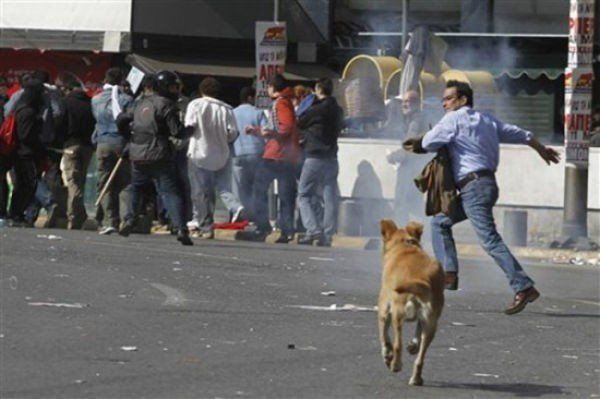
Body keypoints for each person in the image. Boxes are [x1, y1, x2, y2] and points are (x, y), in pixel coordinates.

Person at [419, 80, 560, 315]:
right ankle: (449, 273)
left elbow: (427, 142)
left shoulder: (454, 118)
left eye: (448, 98)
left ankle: (523, 286)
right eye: (443, 99)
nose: (444, 103)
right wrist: (541, 149)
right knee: (440, 222)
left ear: (463, 100)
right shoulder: (488, 120)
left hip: (473, 187)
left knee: (490, 240)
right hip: (485, 185)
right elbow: (522, 134)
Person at [116, 72, 193, 246]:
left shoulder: (140, 103)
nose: (175, 91)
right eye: (172, 88)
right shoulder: (167, 105)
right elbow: (177, 132)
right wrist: (191, 130)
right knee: (170, 192)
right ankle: (180, 228)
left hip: (138, 154)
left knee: (136, 188)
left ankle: (128, 219)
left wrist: (131, 137)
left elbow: (121, 119)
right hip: (159, 154)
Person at [185, 77, 243, 239]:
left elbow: (190, 126)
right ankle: (227, 211)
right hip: (220, 155)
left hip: (199, 153)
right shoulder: (227, 109)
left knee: (200, 192)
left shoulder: (195, 105)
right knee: (219, 188)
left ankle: (204, 225)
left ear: (201, 90)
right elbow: (233, 133)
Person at [248, 74, 301, 243]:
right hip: (287, 156)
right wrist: (258, 130)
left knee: (259, 189)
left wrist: (266, 132)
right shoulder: (286, 101)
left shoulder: (280, 103)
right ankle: (286, 230)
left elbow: (284, 127)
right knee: (286, 195)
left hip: (275, 155)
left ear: (273, 87)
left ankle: (263, 225)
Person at [296, 78, 343, 246]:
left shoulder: (316, 109)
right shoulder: (338, 109)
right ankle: (328, 233)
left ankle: (313, 230)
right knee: (330, 195)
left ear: (317, 89)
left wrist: (309, 102)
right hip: (332, 157)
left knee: (304, 194)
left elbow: (300, 121)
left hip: (314, 157)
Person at [91, 68, 133, 234]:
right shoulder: (127, 100)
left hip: (103, 142)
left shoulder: (95, 100)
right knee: (125, 183)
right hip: (121, 142)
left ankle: (109, 220)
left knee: (104, 183)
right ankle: (126, 218)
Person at [386, 90, 429, 226]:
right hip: (417, 167)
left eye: (408, 101)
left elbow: (410, 145)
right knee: (414, 203)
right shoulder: (413, 118)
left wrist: (393, 157)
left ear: (416, 103)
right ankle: (428, 230)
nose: (404, 105)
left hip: (411, 168)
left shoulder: (416, 120)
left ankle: (402, 233)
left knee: (402, 202)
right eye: (403, 102)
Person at [58, 72, 96, 229]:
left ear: (67, 88)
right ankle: (80, 214)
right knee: (82, 180)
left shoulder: (66, 102)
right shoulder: (90, 102)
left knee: (73, 181)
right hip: (87, 145)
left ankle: (74, 215)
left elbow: (60, 124)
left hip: (71, 145)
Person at [8, 80, 45, 226]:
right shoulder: (28, 112)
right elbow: (25, 135)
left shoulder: (20, 109)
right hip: (25, 154)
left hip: (21, 153)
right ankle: (16, 213)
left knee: (23, 185)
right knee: (26, 185)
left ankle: (17, 213)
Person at [232, 87, 265, 216]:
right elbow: (265, 131)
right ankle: (256, 215)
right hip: (256, 152)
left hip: (237, 152)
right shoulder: (258, 112)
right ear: (250, 98)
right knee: (256, 186)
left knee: (239, 187)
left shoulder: (233, 113)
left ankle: (241, 213)